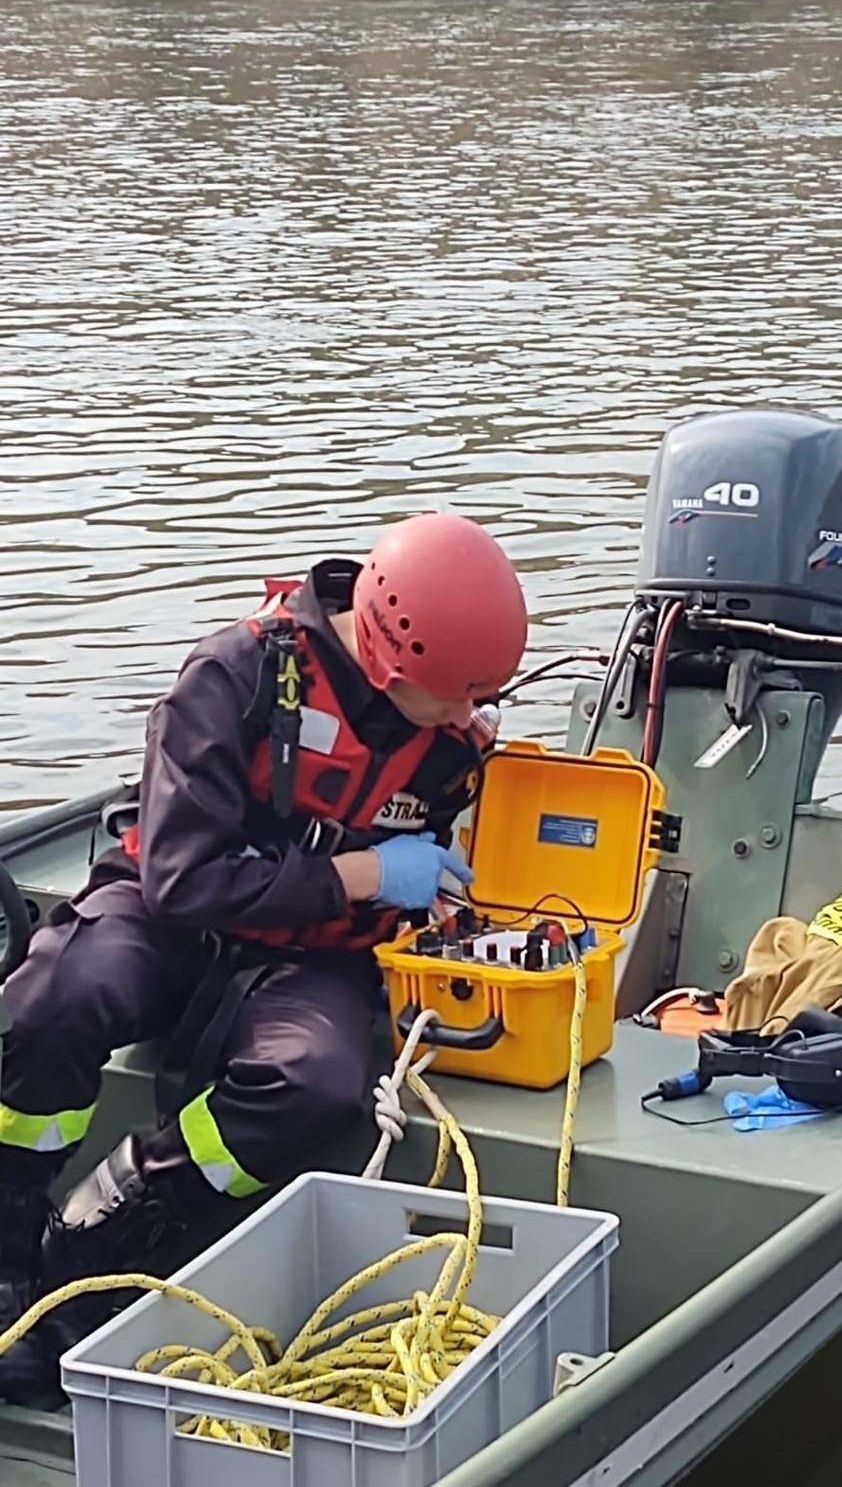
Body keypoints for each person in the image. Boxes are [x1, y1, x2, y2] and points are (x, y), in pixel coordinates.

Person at [0, 511, 528, 1403]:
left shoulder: (445, 746)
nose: (467, 715)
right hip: (175, 913)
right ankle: (9, 1229)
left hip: (319, 954)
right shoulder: (234, 678)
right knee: (56, 993)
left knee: (315, 1081)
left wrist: (434, 893)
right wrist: (363, 870)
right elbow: (182, 882)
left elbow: (434, 839)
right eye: (454, 696)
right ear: (393, 659)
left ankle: (86, 1252)